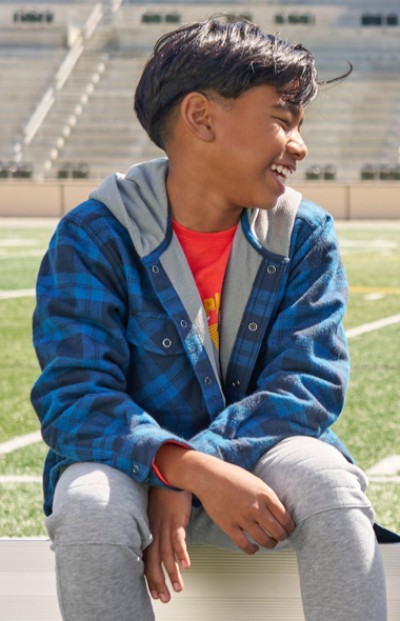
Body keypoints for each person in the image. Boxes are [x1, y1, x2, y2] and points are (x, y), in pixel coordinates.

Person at [31, 16, 388, 621]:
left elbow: (308, 385)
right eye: (281, 119)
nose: (299, 146)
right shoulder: (95, 234)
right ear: (201, 118)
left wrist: (202, 465)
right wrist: (178, 467)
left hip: (259, 453)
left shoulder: (304, 234)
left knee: (329, 483)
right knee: (89, 504)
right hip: (127, 463)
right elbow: (75, 396)